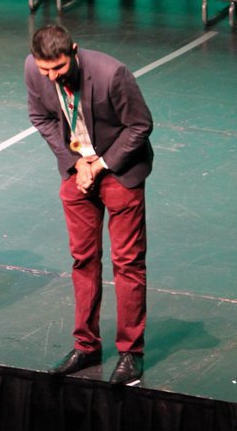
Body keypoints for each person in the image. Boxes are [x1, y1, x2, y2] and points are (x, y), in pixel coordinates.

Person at [24, 25, 152, 386]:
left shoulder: (112, 74)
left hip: (119, 171)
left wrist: (100, 164)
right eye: (45, 70)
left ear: (74, 52)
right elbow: (42, 118)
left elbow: (139, 126)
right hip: (76, 170)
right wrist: (75, 161)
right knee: (83, 259)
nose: (51, 76)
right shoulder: (34, 69)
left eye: (59, 69)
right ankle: (86, 345)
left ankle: (131, 352)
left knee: (127, 263)